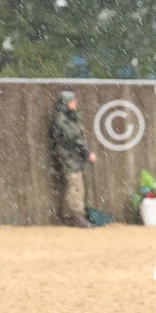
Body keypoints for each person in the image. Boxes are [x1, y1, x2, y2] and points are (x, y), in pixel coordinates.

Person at [49, 91, 98, 227]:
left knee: (75, 185)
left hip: (73, 156)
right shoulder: (61, 120)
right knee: (75, 185)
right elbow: (73, 138)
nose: (75, 103)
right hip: (68, 156)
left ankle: (68, 215)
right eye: (72, 101)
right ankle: (76, 216)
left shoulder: (70, 118)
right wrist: (87, 153)